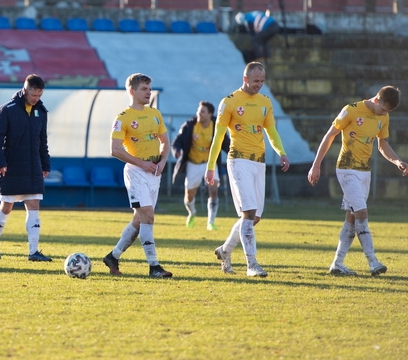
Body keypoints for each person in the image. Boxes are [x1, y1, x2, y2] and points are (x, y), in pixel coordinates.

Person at [307, 86, 408, 276]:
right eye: (383, 110)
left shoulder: (383, 117)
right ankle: (373, 262)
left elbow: (383, 145)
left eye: (387, 112)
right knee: (361, 212)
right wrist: (316, 165)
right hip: (346, 169)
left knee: (352, 218)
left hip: (364, 172)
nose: (384, 114)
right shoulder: (351, 110)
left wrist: (397, 161)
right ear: (376, 100)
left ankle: (337, 264)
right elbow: (330, 135)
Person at [205, 61, 290, 278]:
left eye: (262, 81)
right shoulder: (229, 102)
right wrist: (211, 166)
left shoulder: (265, 102)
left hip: (258, 162)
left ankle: (225, 250)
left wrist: (281, 152)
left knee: (254, 218)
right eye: (255, 81)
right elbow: (218, 137)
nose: (259, 85)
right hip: (238, 161)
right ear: (245, 79)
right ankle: (252, 265)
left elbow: (271, 131)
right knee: (248, 213)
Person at [101, 73, 173, 278]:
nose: (148, 92)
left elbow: (165, 142)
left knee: (139, 220)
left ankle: (113, 256)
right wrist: (141, 163)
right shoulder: (123, 118)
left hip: (154, 172)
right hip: (136, 172)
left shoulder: (155, 114)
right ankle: (154, 267)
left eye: (149, 89)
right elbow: (114, 149)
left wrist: (163, 161)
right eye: (144, 89)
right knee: (148, 216)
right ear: (132, 91)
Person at [0, 75, 52, 261]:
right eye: (33, 94)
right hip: (11, 167)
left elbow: (43, 142)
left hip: (33, 168)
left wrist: (45, 164)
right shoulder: (7, 110)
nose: (36, 99)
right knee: (6, 207)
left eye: (39, 95)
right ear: (25, 90)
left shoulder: (41, 111)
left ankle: (33, 252)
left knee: (34, 205)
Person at [171, 101, 230, 231]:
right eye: (198, 111)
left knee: (213, 189)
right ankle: (192, 213)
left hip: (210, 163)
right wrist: (176, 150)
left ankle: (211, 221)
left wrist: (235, 154)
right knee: (189, 196)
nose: (199, 114)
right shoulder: (190, 125)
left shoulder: (217, 126)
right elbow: (177, 141)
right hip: (194, 163)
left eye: (202, 112)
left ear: (210, 114)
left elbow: (227, 144)